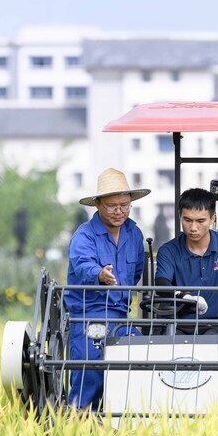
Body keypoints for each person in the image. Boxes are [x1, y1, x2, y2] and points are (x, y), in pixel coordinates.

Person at [65, 168, 150, 409]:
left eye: (124, 205)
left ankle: (125, 422)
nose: (119, 211)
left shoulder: (134, 233)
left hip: (121, 316)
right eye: (112, 206)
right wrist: (100, 275)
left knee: (142, 358)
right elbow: (83, 266)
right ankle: (78, 421)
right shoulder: (84, 235)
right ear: (98, 205)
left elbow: (135, 274)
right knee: (91, 370)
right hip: (88, 315)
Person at [154, 188, 218, 333]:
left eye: (200, 221)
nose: (193, 228)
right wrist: (185, 297)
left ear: (213, 218)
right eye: (187, 220)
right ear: (179, 216)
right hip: (179, 326)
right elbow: (161, 283)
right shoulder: (168, 250)